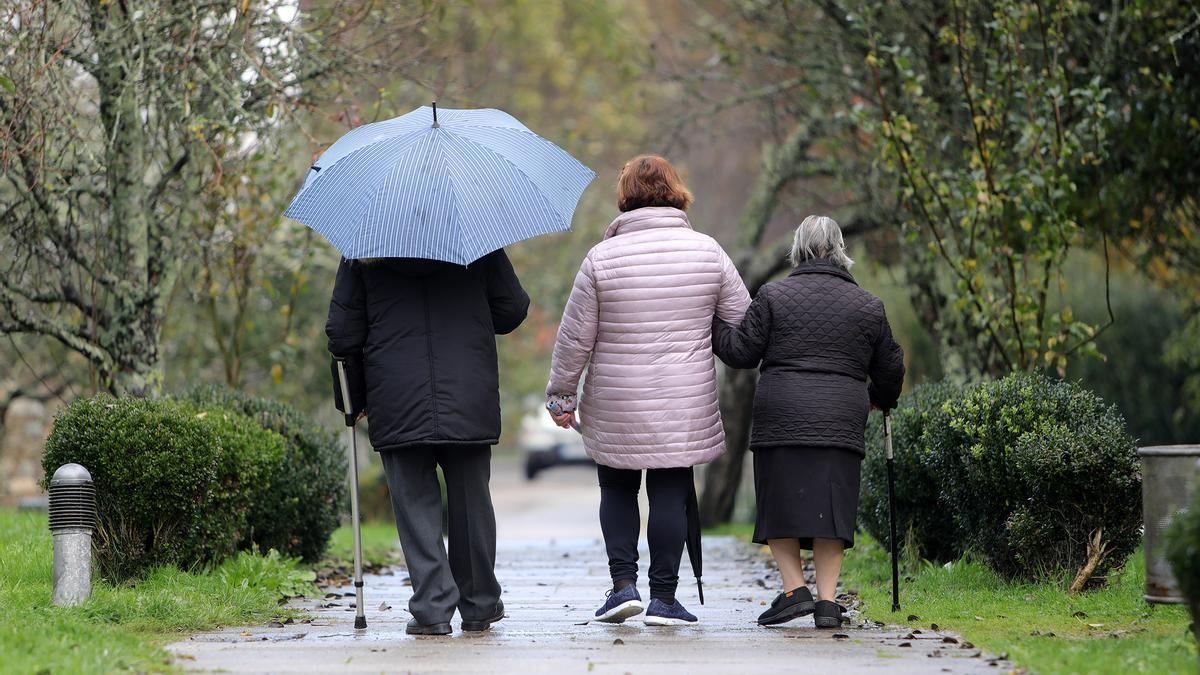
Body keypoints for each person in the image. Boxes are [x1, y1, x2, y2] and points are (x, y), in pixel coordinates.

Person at [546, 154, 750, 626]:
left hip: (616, 399)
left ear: (626, 195)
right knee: (671, 491)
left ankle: (622, 588)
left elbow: (576, 336)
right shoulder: (708, 251)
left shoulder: (602, 258)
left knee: (616, 487)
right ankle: (663, 598)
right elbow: (744, 322)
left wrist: (561, 396)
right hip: (684, 399)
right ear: (676, 191)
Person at [713, 215, 905, 629]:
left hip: (781, 415)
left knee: (778, 504)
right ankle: (827, 603)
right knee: (832, 510)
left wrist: (712, 321)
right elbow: (890, 368)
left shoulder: (773, 296)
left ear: (797, 250)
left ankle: (793, 590)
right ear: (840, 252)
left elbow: (742, 353)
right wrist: (878, 398)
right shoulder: (868, 306)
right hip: (841, 419)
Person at [326, 251, 529, 636]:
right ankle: (480, 603)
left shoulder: (365, 247)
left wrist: (351, 399)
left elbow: (342, 331)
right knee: (472, 501)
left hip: (396, 395)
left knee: (414, 503)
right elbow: (512, 309)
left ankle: (433, 607)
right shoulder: (474, 238)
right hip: (467, 391)